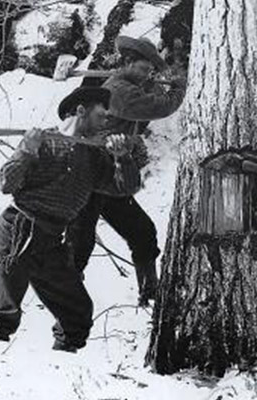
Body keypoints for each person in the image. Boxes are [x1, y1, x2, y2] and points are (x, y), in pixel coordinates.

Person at [0, 86, 142, 352]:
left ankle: (63, 368)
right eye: (101, 115)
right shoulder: (43, 142)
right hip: (19, 229)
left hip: (50, 239)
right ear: (81, 111)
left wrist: (122, 159)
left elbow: (124, 188)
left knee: (77, 313)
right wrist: (27, 151)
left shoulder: (94, 156)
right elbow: (5, 183)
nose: (105, 122)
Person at [67, 35, 187, 306]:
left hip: (111, 178)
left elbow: (150, 97)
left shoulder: (128, 87)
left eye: (150, 71)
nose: (147, 75)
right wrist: (179, 88)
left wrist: (160, 84)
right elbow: (160, 106)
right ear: (128, 62)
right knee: (79, 245)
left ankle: (150, 294)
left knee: (142, 232)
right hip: (90, 175)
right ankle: (65, 303)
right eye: (143, 69)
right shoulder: (119, 90)